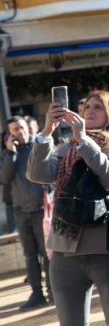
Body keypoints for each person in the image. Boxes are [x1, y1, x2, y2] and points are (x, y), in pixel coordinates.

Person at [28, 91, 109, 326]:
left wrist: (85, 142)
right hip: (66, 253)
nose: (89, 111)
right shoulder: (66, 148)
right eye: (87, 106)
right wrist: (46, 131)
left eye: (97, 108)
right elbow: (37, 174)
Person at [0, 116, 52, 310]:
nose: (19, 132)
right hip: (21, 211)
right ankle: (37, 293)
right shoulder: (6, 154)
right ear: (9, 134)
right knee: (30, 255)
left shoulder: (39, 147)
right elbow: (4, 178)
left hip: (41, 210)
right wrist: (9, 153)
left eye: (21, 127)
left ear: (27, 128)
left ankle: (52, 292)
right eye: (14, 130)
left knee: (46, 253)